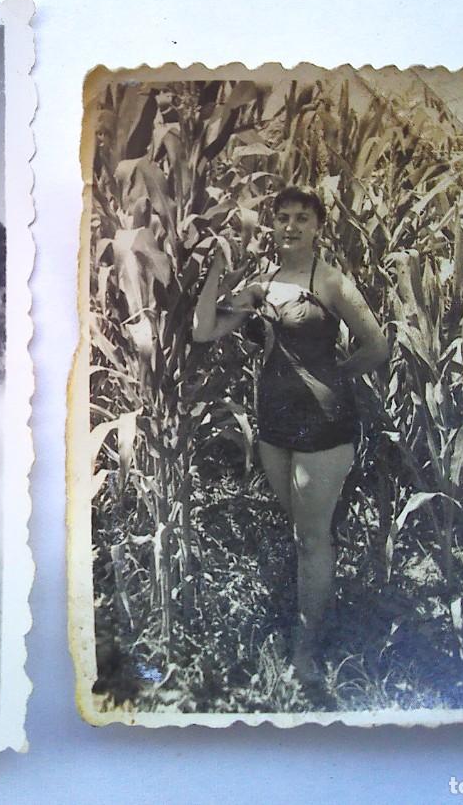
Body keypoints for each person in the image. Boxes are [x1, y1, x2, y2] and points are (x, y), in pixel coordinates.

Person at [193, 187, 388, 682]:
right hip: (274, 424)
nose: (291, 226)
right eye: (282, 218)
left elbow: (377, 346)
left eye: (303, 218)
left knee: (310, 540)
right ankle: (321, 614)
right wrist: (217, 264)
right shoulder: (261, 286)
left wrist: (333, 377)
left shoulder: (332, 283)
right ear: (272, 226)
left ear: (318, 227)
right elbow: (203, 330)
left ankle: (306, 654)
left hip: (323, 425)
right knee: (305, 534)